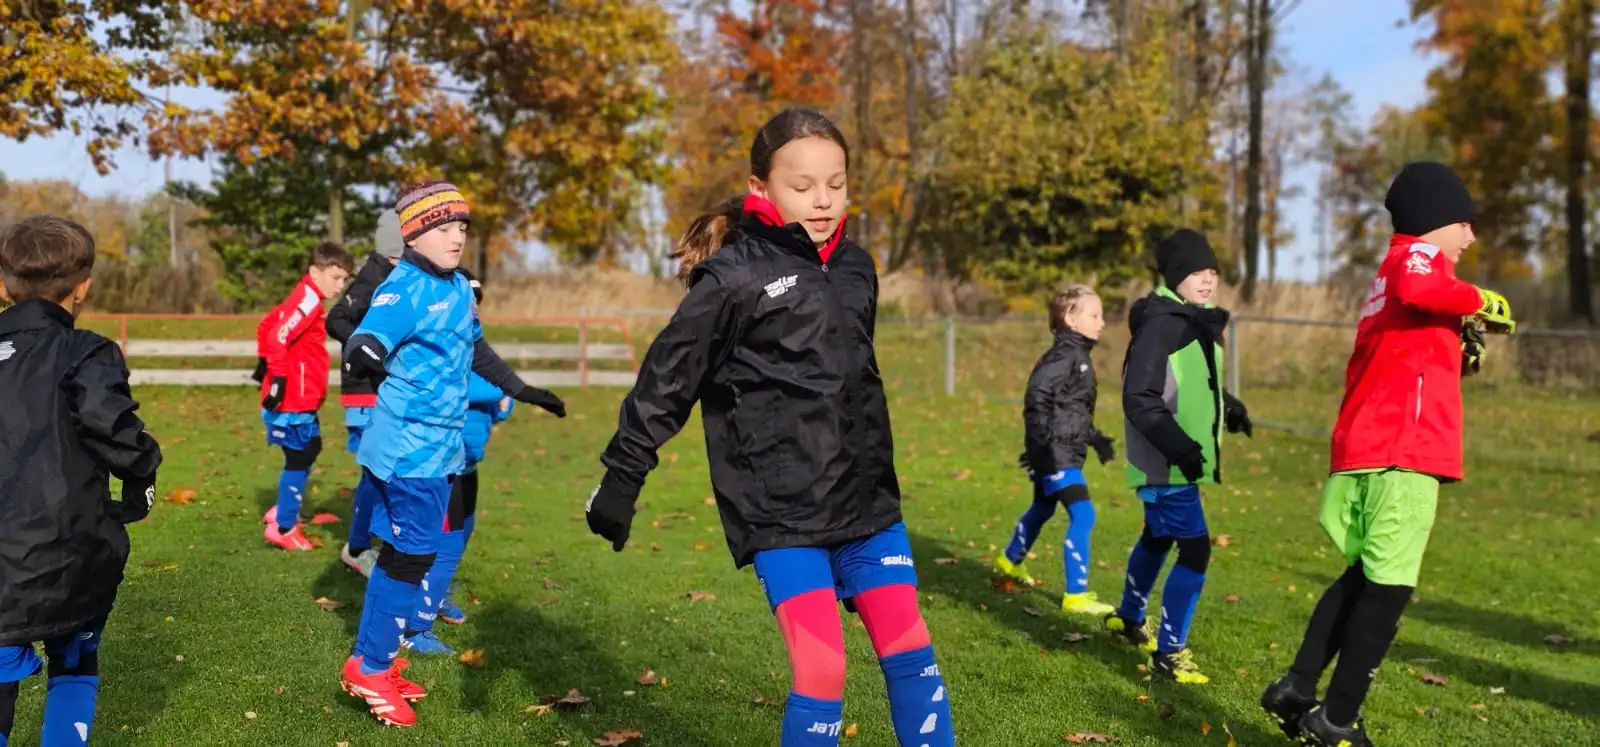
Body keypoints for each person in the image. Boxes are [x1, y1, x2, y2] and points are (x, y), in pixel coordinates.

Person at [585, 108, 956, 747]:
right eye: (803, 185)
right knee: (822, 669)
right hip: (783, 515)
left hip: (868, 505)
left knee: (913, 649)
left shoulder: (857, 268)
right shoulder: (734, 277)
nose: (823, 200)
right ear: (762, 188)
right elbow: (668, 376)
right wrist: (623, 476)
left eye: (835, 184)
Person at [1260, 162, 1514, 747]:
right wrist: (1482, 299)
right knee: (1391, 588)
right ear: (1433, 222)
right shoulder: (1416, 259)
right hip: (1405, 451)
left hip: (1368, 445)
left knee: (1363, 577)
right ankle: (1337, 720)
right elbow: (1421, 286)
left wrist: (1460, 342)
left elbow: (1412, 349)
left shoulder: (1390, 274)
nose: (1470, 238)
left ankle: (1298, 688)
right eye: (1464, 224)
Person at [336, 181, 567, 728]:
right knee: (412, 553)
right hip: (407, 447)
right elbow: (362, 339)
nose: (456, 237)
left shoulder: (460, 288)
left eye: (462, 226)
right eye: (443, 227)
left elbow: (477, 348)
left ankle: (372, 660)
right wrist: (366, 357)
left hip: (442, 446)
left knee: (405, 554)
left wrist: (523, 388)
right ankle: (370, 666)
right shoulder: (405, 287)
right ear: (413, 233)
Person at [0, 215, 164, 747]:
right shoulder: (85, 351)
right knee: (73, 662)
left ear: (3, 285)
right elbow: (113, 426)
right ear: (83, 287)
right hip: (69, 556)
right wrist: (142, 478)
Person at [1102, 229, 1253, 685]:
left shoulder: (1192, 320)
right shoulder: (1163, 324)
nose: (1206, 280)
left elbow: (1190, 379)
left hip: (1173, 461)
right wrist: (1182, 448)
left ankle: (1128, 617)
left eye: (1212, 272)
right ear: (1174, 277)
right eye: (1195, 272)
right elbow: (1140, 398)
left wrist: (1227, 405)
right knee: (1195, 549)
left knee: (1157, 535)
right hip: (1166, 461)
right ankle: (1170, 652)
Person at [400, 270, 511, 654]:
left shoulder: (471, 339)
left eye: (476, 298)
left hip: (468, 460)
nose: (473, 305)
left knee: (462, 531)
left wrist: (500, 402)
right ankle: (415, 629)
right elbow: (465, 383)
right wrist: (501, 388)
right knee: (444, 540)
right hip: (443, 460)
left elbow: (498, 404)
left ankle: (435, 594)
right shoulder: (442, 339)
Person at [992, 283, 1118, 616]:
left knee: (1043, 508)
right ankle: (1076, 595)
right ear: (1070, 318)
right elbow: (1037, 398)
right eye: (1095, 314)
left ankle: (1008, 562)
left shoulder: (1077, 357)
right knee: (1083, 514)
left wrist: (1095, 437)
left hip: (1057, 450)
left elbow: (1071, 410)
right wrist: (1040, 447)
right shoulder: (1065, 357)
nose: (1101, 321)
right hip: (1055, 454)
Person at [256, 241, 354, 550]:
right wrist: (278, 379)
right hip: (293, 401)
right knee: (303, 452)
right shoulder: (308, 300)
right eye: (336, 277)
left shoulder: (307, 297)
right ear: (315, 271)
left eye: (344, 279)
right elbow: (276, 335)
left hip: (300, 398)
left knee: (306, 451)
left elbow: (267, 324)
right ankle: (284, 527)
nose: (340, 285)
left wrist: (265, 367)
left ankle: (284, 508)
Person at [325, 211, 404, 575]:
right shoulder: (372, 276)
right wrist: (365, 348)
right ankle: (358, 547)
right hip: (363, 392)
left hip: (382, 389)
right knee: (377, 471)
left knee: (385, 469)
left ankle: (373, 541)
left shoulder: (398, 275)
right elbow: (336, 319)